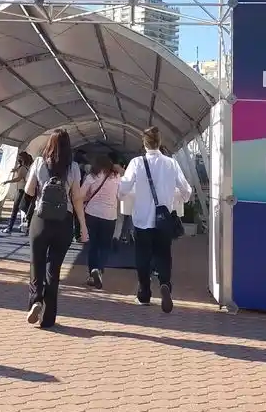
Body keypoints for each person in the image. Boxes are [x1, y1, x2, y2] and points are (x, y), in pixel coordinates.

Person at [118, 127, 192, 313]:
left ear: (144, 143)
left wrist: (123, 195)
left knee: (142, 256)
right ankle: (165, 283)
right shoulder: (171, 163)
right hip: (164, 220)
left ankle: (144, 294)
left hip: (142, 220)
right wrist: (177, 198)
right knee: (164, 254)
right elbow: (186, 191)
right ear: (160, 142)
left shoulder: (136, 163)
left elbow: (123, 188)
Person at [23, 129, 88, 329]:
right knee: (54, 269)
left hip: (41, 219)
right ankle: (48, 318)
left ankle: (36, 300)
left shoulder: (39, 163)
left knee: (37, 263)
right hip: (64, 221)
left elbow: (29, 190)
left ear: (49, 144)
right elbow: (77, 199)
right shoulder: (73, 167)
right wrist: (83, 226)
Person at [82, 154, 120, 290]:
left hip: (92, 213)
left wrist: (87, 198)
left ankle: (92, 273)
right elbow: (121, 194)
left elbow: (81, 195)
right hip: (109, 216)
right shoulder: (116, 177)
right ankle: (99, 269)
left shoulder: (91, 177)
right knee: (105, 246)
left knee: (93, 244)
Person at [0, 151, 33, 234]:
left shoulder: (22, 168)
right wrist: (15, 170)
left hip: (21, 190)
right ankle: (28, 228)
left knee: (15, 210)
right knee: (24, 209)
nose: (18, 159)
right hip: (25, 190)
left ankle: (9, 228)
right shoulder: (27, 167)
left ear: (22, 158)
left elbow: (18, 178)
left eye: (19, 157)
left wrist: (8, 181)